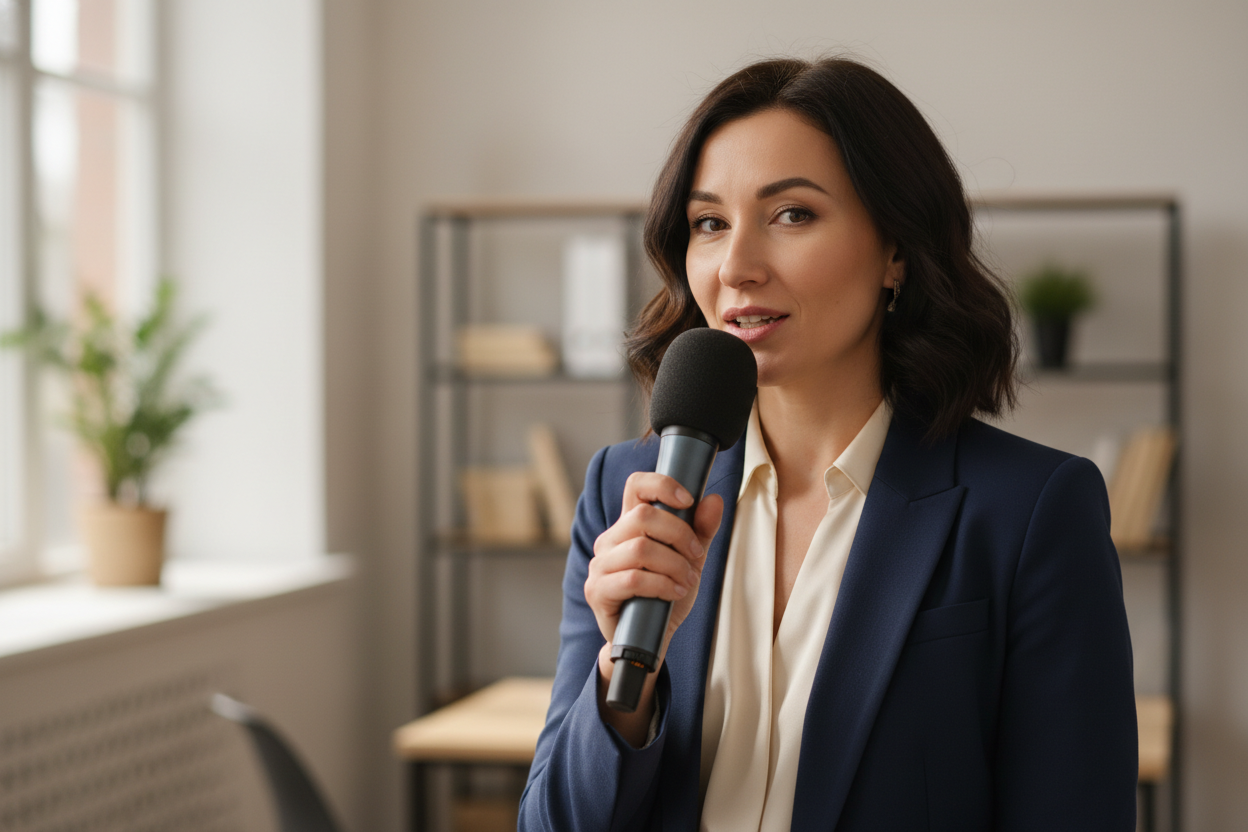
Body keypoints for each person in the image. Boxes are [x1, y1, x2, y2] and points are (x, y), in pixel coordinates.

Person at [519, 56, 1137, 832]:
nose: (736, 268)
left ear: (896, 251)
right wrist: (625, 675)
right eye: (709, 223)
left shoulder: (1030, 513)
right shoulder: (625, 491)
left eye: (792, 215)